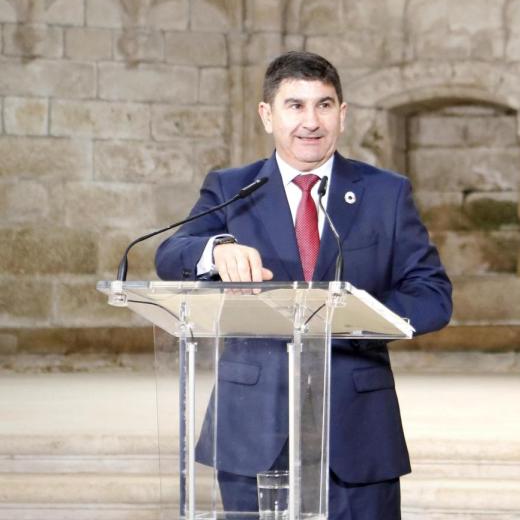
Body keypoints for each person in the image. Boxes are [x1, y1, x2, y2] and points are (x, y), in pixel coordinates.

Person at [155, 51, 452, 519]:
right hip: (251, 426)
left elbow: (433, 296)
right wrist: (216, 249)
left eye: (324, 105)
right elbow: (171, 254)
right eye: (295, 105)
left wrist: (356, 314)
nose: (311, 122)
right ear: (266, 114)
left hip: (357, 429)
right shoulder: (233, 187)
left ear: (343, 114)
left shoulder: (386, 192)